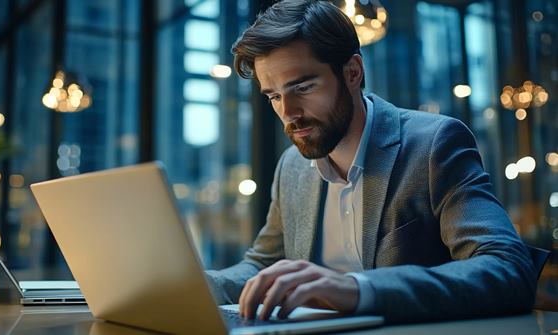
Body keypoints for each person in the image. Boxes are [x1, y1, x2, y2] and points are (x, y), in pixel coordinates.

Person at [205, 0, 536, 323]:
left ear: (352, 72)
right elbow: (263, 265)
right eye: (274, 96)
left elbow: (507, 268)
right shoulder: (291, 166)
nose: (288, 113)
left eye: (303, 87)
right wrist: (205, 285)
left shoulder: (434, 144)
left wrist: (356, 289)